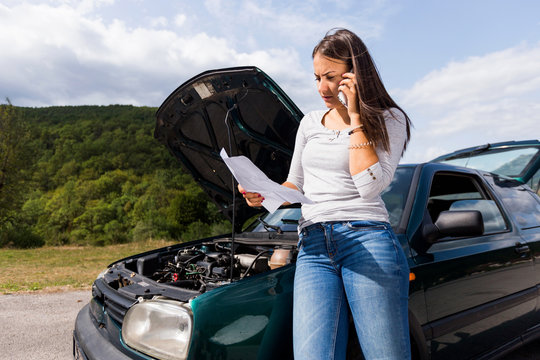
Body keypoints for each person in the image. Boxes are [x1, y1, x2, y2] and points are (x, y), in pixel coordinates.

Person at [239, 28, 412, 360]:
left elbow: (370, 186)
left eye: (331, 77)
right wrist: (263, 193)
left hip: (367, 240)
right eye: (317, 77)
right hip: (313, 246)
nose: (322, 88)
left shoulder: (390, 119)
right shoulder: (310, 123)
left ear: (355, 75)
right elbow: (295, 186)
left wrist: (357, 116)